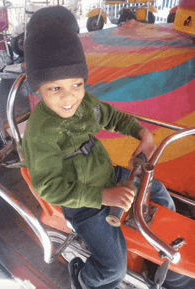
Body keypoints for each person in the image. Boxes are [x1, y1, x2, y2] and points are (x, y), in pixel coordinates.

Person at [22, 7, 176, 289]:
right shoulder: (41, 133)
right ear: (38, 88)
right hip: (84, 203)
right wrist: (104, 196)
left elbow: (113, 116)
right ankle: (83, 279)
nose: (69, 97)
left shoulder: (85, 103)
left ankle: (170, 266)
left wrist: (142, 133)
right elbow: (48, 187)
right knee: (113, 269)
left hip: (109, 175)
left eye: (77, 84)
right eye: (55, 88)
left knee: (161, 194)